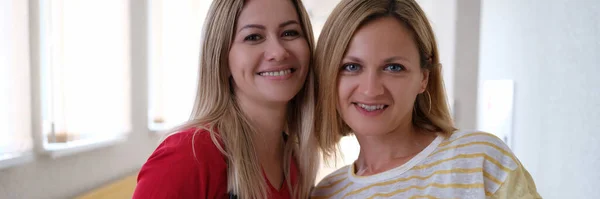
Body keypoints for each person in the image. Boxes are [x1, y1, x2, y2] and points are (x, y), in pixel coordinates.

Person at [311, 0, 541, 198]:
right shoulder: (327, 192)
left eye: (393, 67)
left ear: (424, 77)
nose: (371, 90)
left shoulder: (480, 161)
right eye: (351, 66)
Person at [133, 0, 319, 198]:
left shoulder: (295, 162)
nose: (279, 52)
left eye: (290, 33)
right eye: (253, 37)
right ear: (222, 58)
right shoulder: (188, 155)